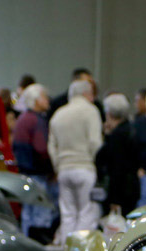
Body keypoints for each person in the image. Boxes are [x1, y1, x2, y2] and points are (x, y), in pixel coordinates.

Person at [48, 77, 103, 240]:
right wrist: (93, 161)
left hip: (64, 170)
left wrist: (58, 166)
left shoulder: (58, 114)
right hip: (85, 168)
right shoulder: (91, 111)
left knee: (68, 214)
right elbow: (95, 142)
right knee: (86, 212)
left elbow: (52, 146)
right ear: (87, 94)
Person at [12, 83, 56, 240]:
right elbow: (41, 149)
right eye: (44, 97)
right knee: (41, 211)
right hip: (38, 172)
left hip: (25, 171)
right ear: (36, 100)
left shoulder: (23, 119)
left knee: (28, 213)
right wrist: (52, 168)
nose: (47, 100)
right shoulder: (37, 121)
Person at [96, 93, 139, 217]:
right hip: (131, 188)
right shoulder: (130, 129)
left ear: (109, 113)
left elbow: (117, 168)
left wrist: (115, 199)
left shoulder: (118, 136)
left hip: (121, 191)